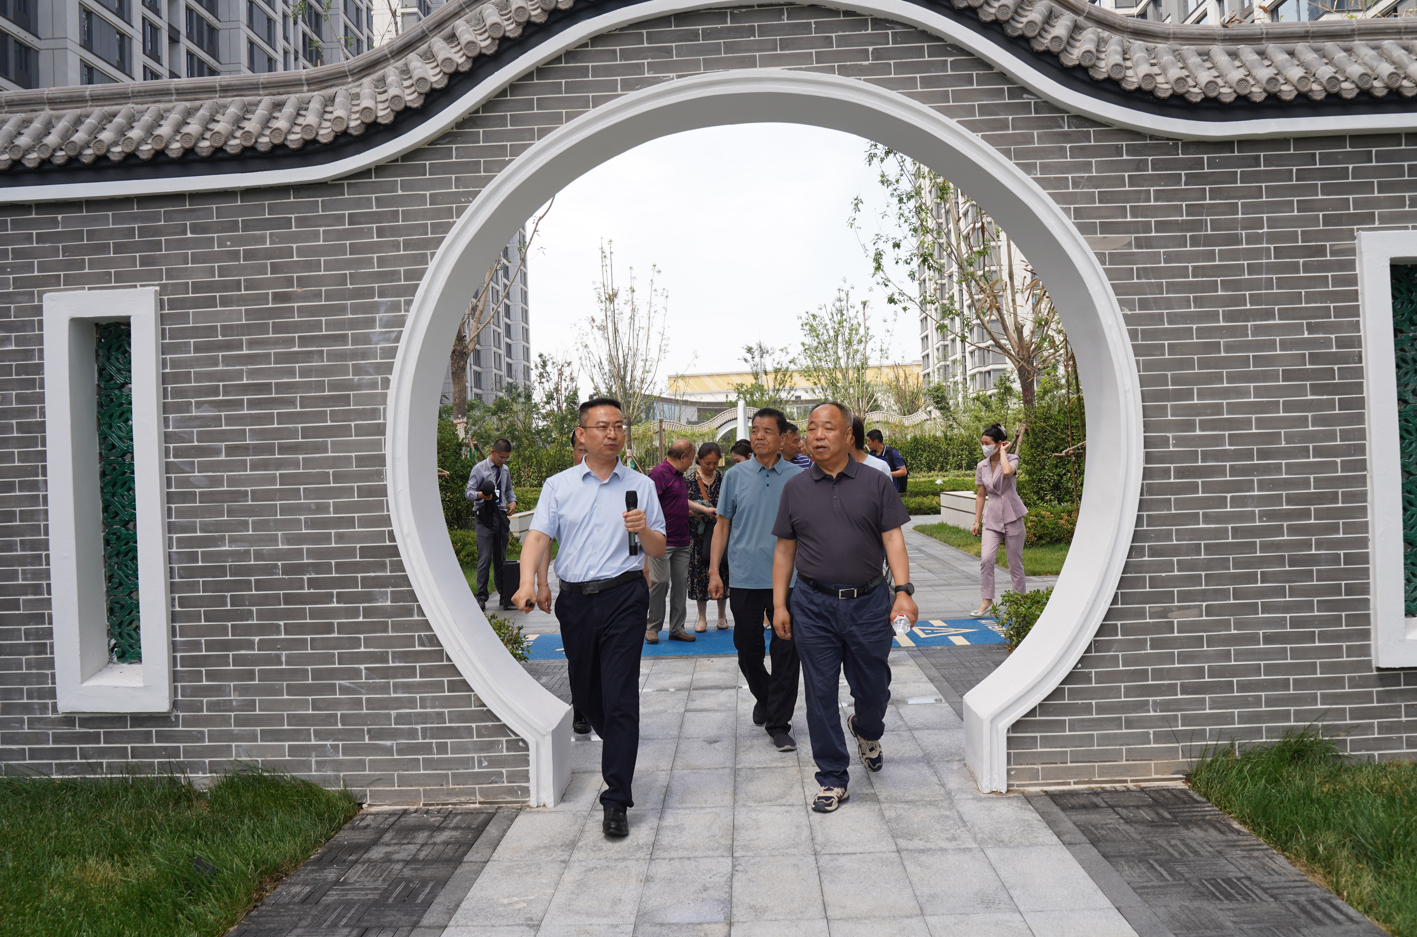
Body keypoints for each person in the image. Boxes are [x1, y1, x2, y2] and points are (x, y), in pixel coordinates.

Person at [512, 397, 666, 838]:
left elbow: (659, 547)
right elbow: (538, 537)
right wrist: (526, 583)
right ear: (582, 433)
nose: (612, 433)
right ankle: (617, 737)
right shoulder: (559, 485)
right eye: (602, 426)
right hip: (576, 601)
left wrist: (642, 529)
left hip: (624, 597)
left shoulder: (640, 485)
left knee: (620, 698)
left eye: (618, 425)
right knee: (585, 691)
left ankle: (616, 798)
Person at [771, 401, 917, 814]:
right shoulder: (795, 488)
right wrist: (780, 604)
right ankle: (833, 777)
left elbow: (893, 539)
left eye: (828, 427)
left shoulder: (876, 482)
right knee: (819, 693)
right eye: (811, 428)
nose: (817, 435)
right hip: (812, 605)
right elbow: (784, 550)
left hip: (868, 603)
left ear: (848, 435)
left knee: (873, 689)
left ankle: (866, 729)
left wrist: (903, 590)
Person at [710, 407, 805, 752]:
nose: (759, 436)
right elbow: (722, 525)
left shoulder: (799, 477)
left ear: (782, 438)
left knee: (786, 652)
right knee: (747, 649)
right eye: (755, 430)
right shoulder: (735, 476)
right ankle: (765, 696)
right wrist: (714, 571)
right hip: (745, 578)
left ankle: (779, 723)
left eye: (767, 431)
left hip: (790, 581)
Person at [534, 431, 593, 737]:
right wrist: (541, 583)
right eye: (580, 450)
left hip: (614, 591)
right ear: (572, 450)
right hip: (574, 592)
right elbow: (543, 539)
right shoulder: (559, 486)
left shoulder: (618, 485)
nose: (585, 456)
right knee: (578, 656)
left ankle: (606, 709)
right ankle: (581, 710)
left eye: (589, 450)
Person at [972, 423, 1027, 617]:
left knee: (1015, 562)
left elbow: (1007, 472)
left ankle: (1020, 601)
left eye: (987, 443)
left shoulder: (1012, 459)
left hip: (1012, 514)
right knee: (986, 559)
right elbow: (981, 495)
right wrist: (976, 521)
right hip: (992, 516)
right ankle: (987, 599)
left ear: (999, 444)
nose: (983, 446)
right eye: (982, 443)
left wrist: (1004, 452)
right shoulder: (981, 466)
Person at [646, 439, 697, 644]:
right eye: (691, 459)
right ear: (683, 457)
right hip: (662, 541)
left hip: (682, 540)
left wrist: (699, 510)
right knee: (660, 582)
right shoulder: (658, 474)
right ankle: (652, 627)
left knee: (680, 585)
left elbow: (676, 501)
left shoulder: (679, 476)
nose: (692, 463)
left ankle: (677, 628)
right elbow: (648, 505)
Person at [464, 438, 517, 611]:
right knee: (485, 558)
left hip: (500, 516)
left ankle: (505, 595)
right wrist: (481, 495)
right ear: (493, 452)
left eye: (507, 458)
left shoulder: (505, 470)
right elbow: (468, 493)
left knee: (500, 558)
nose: (504, 461)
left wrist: (513, 501)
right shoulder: (479, 469)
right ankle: (481, 597)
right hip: (485, 517)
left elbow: (508, 489)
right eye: (501, 457)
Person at [686, 441, 729, 632]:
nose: (711, 467)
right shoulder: (689, 481)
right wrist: (696, 513)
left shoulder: (724, 479)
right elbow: (680, 506)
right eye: (707, 463)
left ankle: (722, 616)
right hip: (698, 536)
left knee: (722, 572)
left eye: (715, 463)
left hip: (720, 534)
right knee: (699, 576)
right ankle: (702, 618)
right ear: (699, 460)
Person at [866, 429, 909, 495]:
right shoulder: (871, 454)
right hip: (876, 491)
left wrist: (886, 473)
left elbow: (903, 471)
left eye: (869, 441)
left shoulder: (892, 453)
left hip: (891, 491)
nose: (867, 443)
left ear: (876, 441)